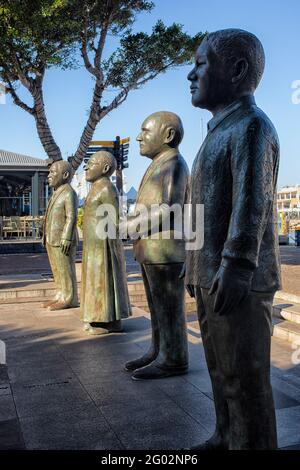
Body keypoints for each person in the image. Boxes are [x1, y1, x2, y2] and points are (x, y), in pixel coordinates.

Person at [184, 29, 281, 450]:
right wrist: (193, 264)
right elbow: (202, 208)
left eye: (201, 63)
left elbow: (252, 203)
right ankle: (227, 434)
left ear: (237, 70)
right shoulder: (216, 132)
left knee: (245, 378)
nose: (191, 74)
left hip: (237, 279)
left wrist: (238, 265)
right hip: (210, 273)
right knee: (221, 372)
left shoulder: (252, 127)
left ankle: (251, 442)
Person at [123, 111, 190, 380]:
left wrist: (131, 226)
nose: (139, 137)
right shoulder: (159, 163)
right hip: (151, 250)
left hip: (166, 251)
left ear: (168, 135)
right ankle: (159, 350)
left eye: (145, 131)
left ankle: (173, 357)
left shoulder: (174, 163)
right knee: (157, 307)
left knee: (169, 308)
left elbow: (170, 208)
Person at [80, 151, 131, 335]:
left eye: (92, 164)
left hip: (103, 245)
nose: (86, 167)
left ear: (106, 168)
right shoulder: (96, 187)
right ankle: (99, 317)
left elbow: (115, 220)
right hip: (93, 245)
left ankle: (107, 320)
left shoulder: (107, 189)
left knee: (102, 280)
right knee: (94, 281)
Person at [43, 160, 78, 310]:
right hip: (51, 238)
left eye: (52, 172)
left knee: (65, 269)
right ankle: (60, 293)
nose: (49, 175)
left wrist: (66, 236)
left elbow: (72, 217)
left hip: (63, 239)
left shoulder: (69, 192)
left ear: (65, 175)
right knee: (56, 269)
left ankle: (69, 298)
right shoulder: (57, 192)